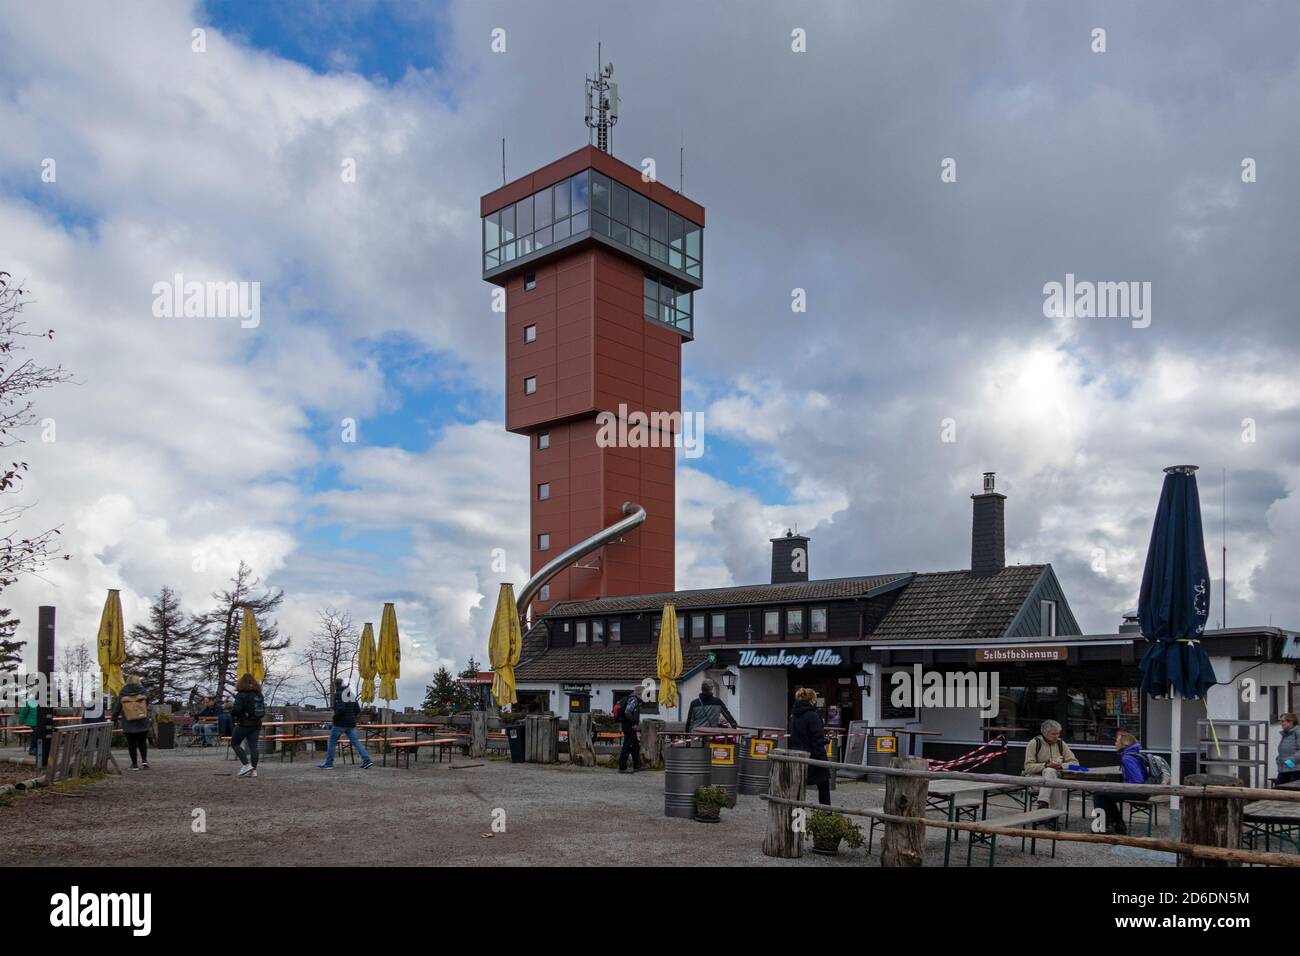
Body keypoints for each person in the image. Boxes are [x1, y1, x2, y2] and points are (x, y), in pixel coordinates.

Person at [1091, 730, 1147, 834]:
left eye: (1117, 741)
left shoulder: (1128, 758)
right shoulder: (1135, 754)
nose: (1115, 743)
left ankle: (1105, 826)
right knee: (1106, 794)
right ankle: (1118, 824)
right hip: (1144, 790)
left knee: (1099, 794)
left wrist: (1123, 787)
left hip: (1139, 791)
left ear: (1124, 744)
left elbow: (1137, 781)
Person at [1023, 719, 1081, 810]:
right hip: (1035, 779)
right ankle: (1054, 818)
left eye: (1058, 733)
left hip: (1053, 778)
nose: (1056, 736)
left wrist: (1061, 766)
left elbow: (1075, 764)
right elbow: (1028, 768)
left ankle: (1043, 804)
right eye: (1053, 734)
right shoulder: (1034, 743)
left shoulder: (1061, 743)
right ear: (1044, 733)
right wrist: (1046, 765)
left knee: (1051, 776)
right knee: (1053, 780)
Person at [318, 677, 373, 770]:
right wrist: (351, 716)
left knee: (332, 741)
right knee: (356, 742)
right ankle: (366, 760)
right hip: (351, 723)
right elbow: (357, 709)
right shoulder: (350, 694)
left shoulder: (338, 694)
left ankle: (329, 763)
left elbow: (341, 709)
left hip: (340, 723)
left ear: (335, 685)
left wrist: (334, 718)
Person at [790, 687, 831, 805]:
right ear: (812, 699)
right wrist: (823, 759)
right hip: (814, 756)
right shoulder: (812, 716)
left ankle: (795, 813)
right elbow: (817, 739)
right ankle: (826, 816)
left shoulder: (793, 716)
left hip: (798, 755)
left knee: (798, 787)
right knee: (824, 787)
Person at [111, 675, 154, 770]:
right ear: (138, 681)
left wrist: (114, 718)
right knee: (142, 742)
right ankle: (144, 761)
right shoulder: (143, 691)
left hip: (128, 721)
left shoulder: (123, 692)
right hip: (142, 719)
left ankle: (134, 764)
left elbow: (117, 707)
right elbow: (147, 703)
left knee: (131, 744)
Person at [230, 674, 265, 778]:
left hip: (244, 723)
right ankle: (253, 770)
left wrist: (231, 712)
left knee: (235, 744)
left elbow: (237, 710)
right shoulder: (259, 694)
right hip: (256, 724)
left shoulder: (241, 694)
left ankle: (246, 765)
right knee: (253, 747)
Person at [615, 689, 642, 773]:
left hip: (628, 725)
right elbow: (628, 711)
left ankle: (637, 765)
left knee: (635, 746)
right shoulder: (634, 699)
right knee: (627, 745)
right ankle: (622, 767)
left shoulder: (631, 698)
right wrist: (634, 721)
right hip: (629, 725)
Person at [1276, 713, 1299, 786]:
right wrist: (1278, 759)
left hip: (1295, 769)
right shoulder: (1286, 734)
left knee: (1291, 790)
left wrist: (1289, 761)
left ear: (1291, 722)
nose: (1281, 723)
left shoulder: (1297, 732)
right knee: (1279, 789)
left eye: (1283, 721)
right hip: (1285, 768)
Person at [19, 685, 39, 756]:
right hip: (32, 723)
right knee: (36, 733)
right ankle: (33, 749)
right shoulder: (29, 702)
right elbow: (23, 713)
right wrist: (21, 722)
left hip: (39, 723)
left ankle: (39, 749)